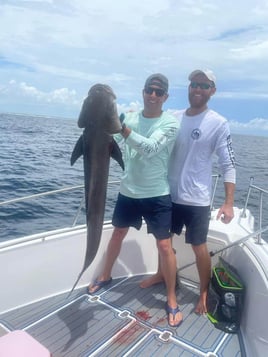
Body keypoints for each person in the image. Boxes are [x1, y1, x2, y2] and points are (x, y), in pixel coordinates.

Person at [88, 74, 183, 327]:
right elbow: (113, 143)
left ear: (165, 97)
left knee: (164, 246)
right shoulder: (128, 117)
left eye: (158, 92)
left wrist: (121, 129)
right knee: (117, 234)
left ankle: (171, 298)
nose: (153, 95)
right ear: (143, 92)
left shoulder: (170, 123)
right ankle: (105, 275)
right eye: (149, 90)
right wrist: (102, 128)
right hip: (128, 191)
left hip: (156, 194)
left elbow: (150, 148)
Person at [140, 69, 236, 315]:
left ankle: (203, 292)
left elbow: (228, 164)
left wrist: (228, 203)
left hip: (197, 199)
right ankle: (162, 274)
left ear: (212, 91)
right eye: (194, 84)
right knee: (164, 242)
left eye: (204, 85)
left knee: (199, 247)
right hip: (167, 194)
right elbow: (150, 123)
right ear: (189, 87)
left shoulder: (218, 122)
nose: (198, 89)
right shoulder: (173, 116)